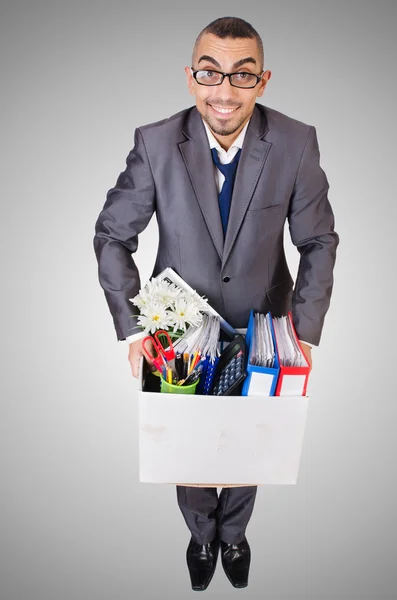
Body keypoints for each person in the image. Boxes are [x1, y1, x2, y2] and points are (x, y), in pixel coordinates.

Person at [93, 16, 339, 591]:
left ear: (262, 80)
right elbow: (112, 236)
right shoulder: (155, 142)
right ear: (190, 77)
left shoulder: (296, 142)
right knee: (191, 449)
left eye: (241, 75)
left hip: (265, 325)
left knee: (252, 443)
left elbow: (319, 241)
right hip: (177, 329)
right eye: (210, 73)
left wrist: (302, 332)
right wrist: (132, 331)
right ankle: (202, 536)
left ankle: (234, 536)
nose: (224, 91)